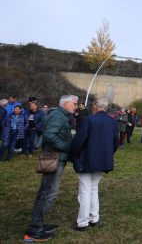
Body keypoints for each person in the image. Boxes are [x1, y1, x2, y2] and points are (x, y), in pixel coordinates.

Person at [24, 95, 78, 242]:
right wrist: (67, 147)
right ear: (66, 104)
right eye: (74, 103)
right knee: (48, 193)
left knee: (46, 192)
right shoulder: (57, 116)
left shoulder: (61, 116)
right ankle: (34, 231)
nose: (76, 106)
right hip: (54, 158)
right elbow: (49, 136)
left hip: (55, 157)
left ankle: (38, 224)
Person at [70, 98, 118, 231]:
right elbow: (115, 143)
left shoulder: (89, 120)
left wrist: (74, 154)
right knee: (93, 189)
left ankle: (83, 222)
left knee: (85, 190)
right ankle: (94, 217)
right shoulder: (112, 121)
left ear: (95, 107)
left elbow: (79, 140)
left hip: (87, 159)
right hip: (102, 160)